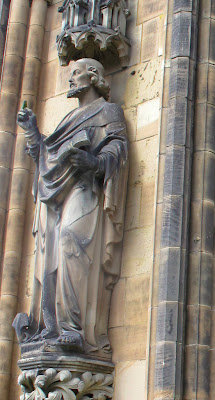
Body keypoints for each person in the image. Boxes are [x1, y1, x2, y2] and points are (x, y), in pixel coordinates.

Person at [14, 58, 128, 357]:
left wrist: (96, 162)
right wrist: (31, 131)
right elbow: (47, 157)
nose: (70, 79)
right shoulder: (68, 119)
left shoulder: (108, 110)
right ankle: (50, 325)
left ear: (93, 76)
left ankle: (73, 328)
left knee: (70, 242)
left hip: (85, 187)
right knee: (49, 254)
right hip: (57, 194)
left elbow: (118, 147)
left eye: (75, 74)